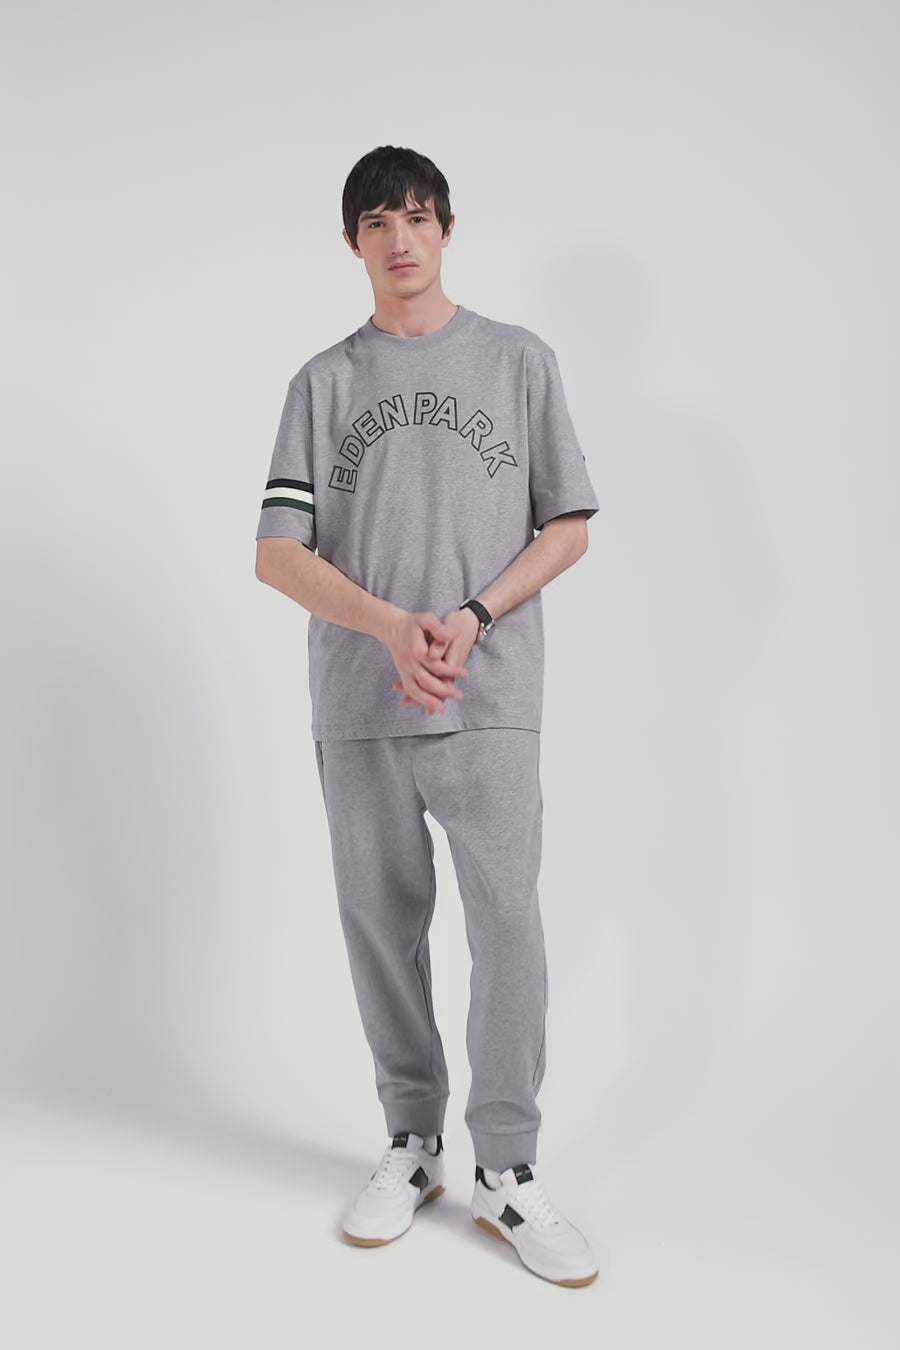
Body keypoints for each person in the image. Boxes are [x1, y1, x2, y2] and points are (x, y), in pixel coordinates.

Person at [254, 145, 600, 1287]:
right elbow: (276, 553)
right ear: (352, 243)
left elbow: (566, 524)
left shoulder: (518, 362)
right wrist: (391, 627)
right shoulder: (322, 384)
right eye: (376, 222)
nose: (399, 238)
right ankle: (414, 1143)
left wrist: (472, 616)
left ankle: (508, 1166)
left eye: (416, 215)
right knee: (379, 924)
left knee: (508, 925)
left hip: (489, 697)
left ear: (448, 227)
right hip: (360, 703)